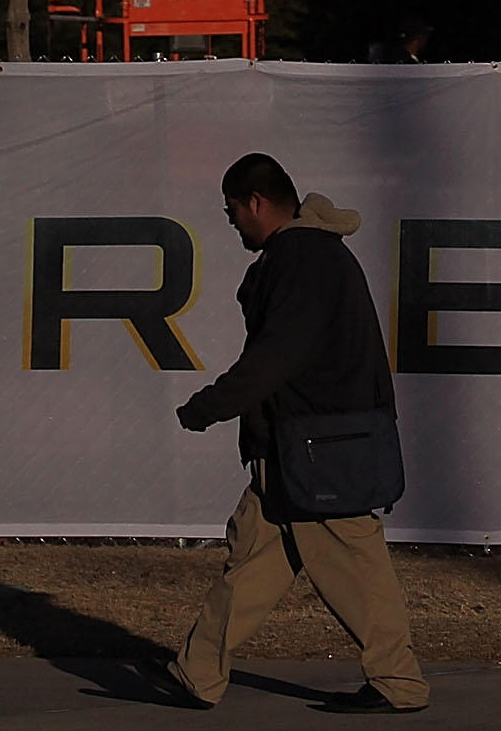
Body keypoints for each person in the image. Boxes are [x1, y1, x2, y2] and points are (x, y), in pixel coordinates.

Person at [158, 152, 427, 715]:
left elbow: (276, 356)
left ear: (256, 202)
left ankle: (398, 682)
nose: (231, 221)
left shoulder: (301, 258)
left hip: (316, 449)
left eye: (232, 209)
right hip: (299, 449)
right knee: (252, 563)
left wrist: (210, 406)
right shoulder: (313, 254)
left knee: (357, 567)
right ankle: (197, 671)